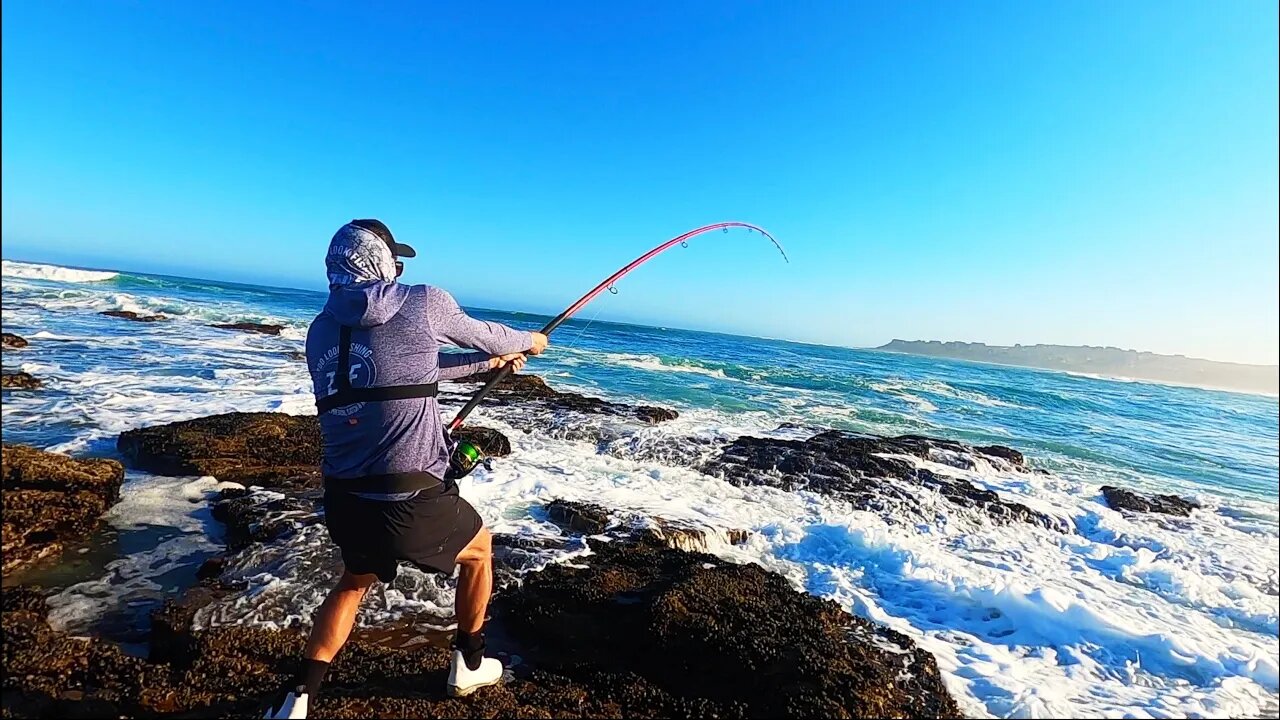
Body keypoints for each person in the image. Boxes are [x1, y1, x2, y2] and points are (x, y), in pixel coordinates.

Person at [266, 219, 549, 719]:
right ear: (380, 260)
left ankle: (299, 699)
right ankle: (470, 662)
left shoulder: (319, 331)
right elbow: (485, 335)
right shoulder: (424, 301)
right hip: (410, 499)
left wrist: (488, 367)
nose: (399, 268)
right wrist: (527, 341)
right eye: (394, 259)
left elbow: (410, 369)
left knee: (354, 581)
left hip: (346, 499)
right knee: (481, 551)